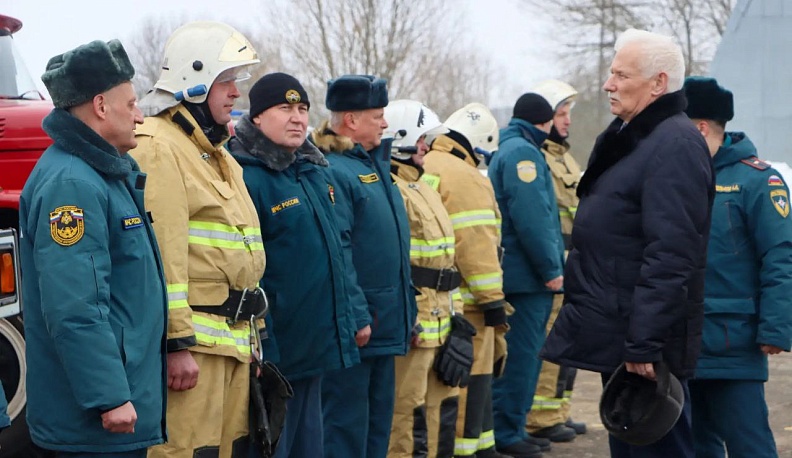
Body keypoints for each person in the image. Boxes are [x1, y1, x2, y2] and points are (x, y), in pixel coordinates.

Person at [540, 28, 714, 458]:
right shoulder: (633, 137)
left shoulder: (673, 144)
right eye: (611, 72)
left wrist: (645, 344)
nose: (608, 84)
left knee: (659, 448)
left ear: (658, 83)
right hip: (624, 333)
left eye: (621, 75)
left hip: (646, 345)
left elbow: (671, 254)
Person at [19, 39, 167, 456]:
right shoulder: (74, 184)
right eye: (132, 104)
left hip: (115, 408)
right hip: (93, 425)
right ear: (101, 106)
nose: (140, 115)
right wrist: (108, 396)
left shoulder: (102, 174)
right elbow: (75, 305)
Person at [129, 21, 267, 458]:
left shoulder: (215, 152)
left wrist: (254, 336)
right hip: (195, 353)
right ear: (194, 80)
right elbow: (163, 256)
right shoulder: (159, 146)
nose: (236, 93)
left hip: (233, 344)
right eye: (227, 81)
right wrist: (176, 344)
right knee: (187, 452)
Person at [227, 72, 360, 458]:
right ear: (257, 117)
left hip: (316, 347)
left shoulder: (312, 172)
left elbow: (334, 255)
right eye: (285, 108)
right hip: (276, 355)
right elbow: (248, 268)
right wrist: (262, 348)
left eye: (302, 108)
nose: (298, 118)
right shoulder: (245, 176)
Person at [682, 76, 792, 458]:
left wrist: (776, 328)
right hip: (683, 342)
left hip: (735, 343)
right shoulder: (676, 176)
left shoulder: (758, 180)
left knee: (750, 445)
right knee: (696, 445)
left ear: (699, 128)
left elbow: (780, 257)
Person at [310, 75, 416, 458]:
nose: (385, 124)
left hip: (384, 321)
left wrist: (408, 312)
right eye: (378, 116)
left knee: (375, 430)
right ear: (351, 121)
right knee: (345, 430)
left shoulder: (372, 166)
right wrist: (355, 315)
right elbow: (339, 250)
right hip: (359, 328)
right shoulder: (335, 170)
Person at [422, 103, 512, 458]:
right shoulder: (466, 176)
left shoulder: (424, 163)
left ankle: (483, 447)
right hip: (471, 303)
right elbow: (476, 243)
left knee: (442, 384)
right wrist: (493, 301)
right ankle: (469, 451)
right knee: (471, 381)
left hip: (435, 299)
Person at [383, 99, 464, 458]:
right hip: (416, 324)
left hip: (442, 321)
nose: (426, 147)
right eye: (420, 140)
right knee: (407, 412)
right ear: (398, 138)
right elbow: (390, 263)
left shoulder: (423, 188)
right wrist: (407, 318)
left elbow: (449, 261)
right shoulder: (392, 189)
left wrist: (457, 317)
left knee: (442, 409)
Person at [488, 92, 564, 458]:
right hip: (526, 279)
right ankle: (507, 430)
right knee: (521, 356)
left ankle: (512, 426)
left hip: (519, 275)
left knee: (520, 355)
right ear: (545, 121)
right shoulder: (523, 154)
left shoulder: (514, 147)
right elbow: (533, 218)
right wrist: (551, 270)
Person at [525, 80, 586, 441]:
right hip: (556, 263)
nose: (566, 121)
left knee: (570, 344)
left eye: (567, 114)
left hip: (573, 261)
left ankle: (558, 411)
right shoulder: (542, 158)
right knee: (551, 341)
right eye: (560, 114)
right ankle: (541, 418)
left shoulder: (564, 156)